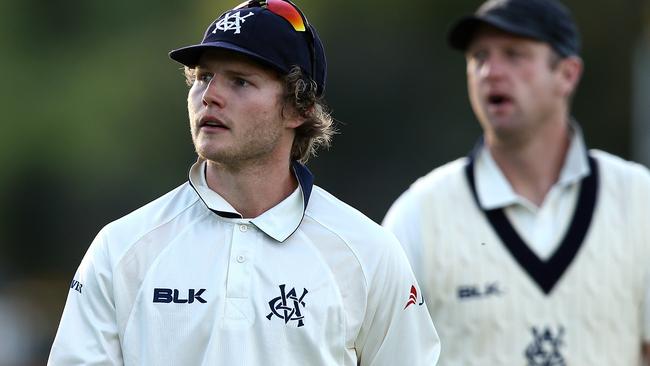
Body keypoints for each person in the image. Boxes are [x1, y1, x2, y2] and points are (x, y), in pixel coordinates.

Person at [47, 0, 440, 365]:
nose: (210, 96)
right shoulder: (120, 249)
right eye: (203, 77)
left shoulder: (368, 253)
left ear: (299, 107)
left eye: (239, 81)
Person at [383, 0, 650, 364]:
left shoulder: (639, 199)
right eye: (478, 56)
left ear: (567, 74)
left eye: (514, 54)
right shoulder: (419, 215)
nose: (490, 71)